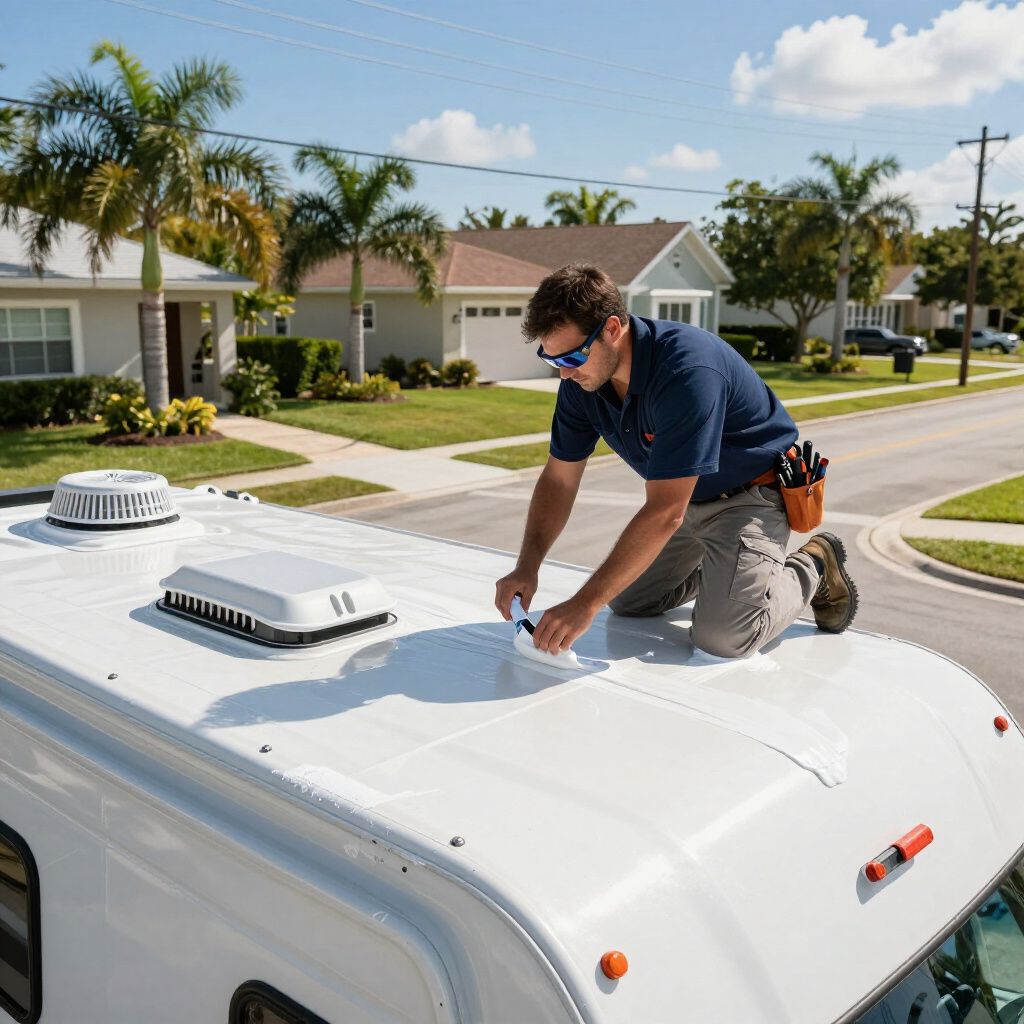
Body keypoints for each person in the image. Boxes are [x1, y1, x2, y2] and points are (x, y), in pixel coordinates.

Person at [494, 262, 858, 659]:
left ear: (613, 329)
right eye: (552, 360)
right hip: (688, 504)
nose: (564, 374)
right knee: (628, 601)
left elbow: (666, 509)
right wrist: (526, 566)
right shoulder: (582, 384)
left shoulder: (686, 371)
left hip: (751, 497)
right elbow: (559, 480)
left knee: (723, 637)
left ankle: (814, 563)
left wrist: (584, 604)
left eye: (571, 358)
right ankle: (732, 577)